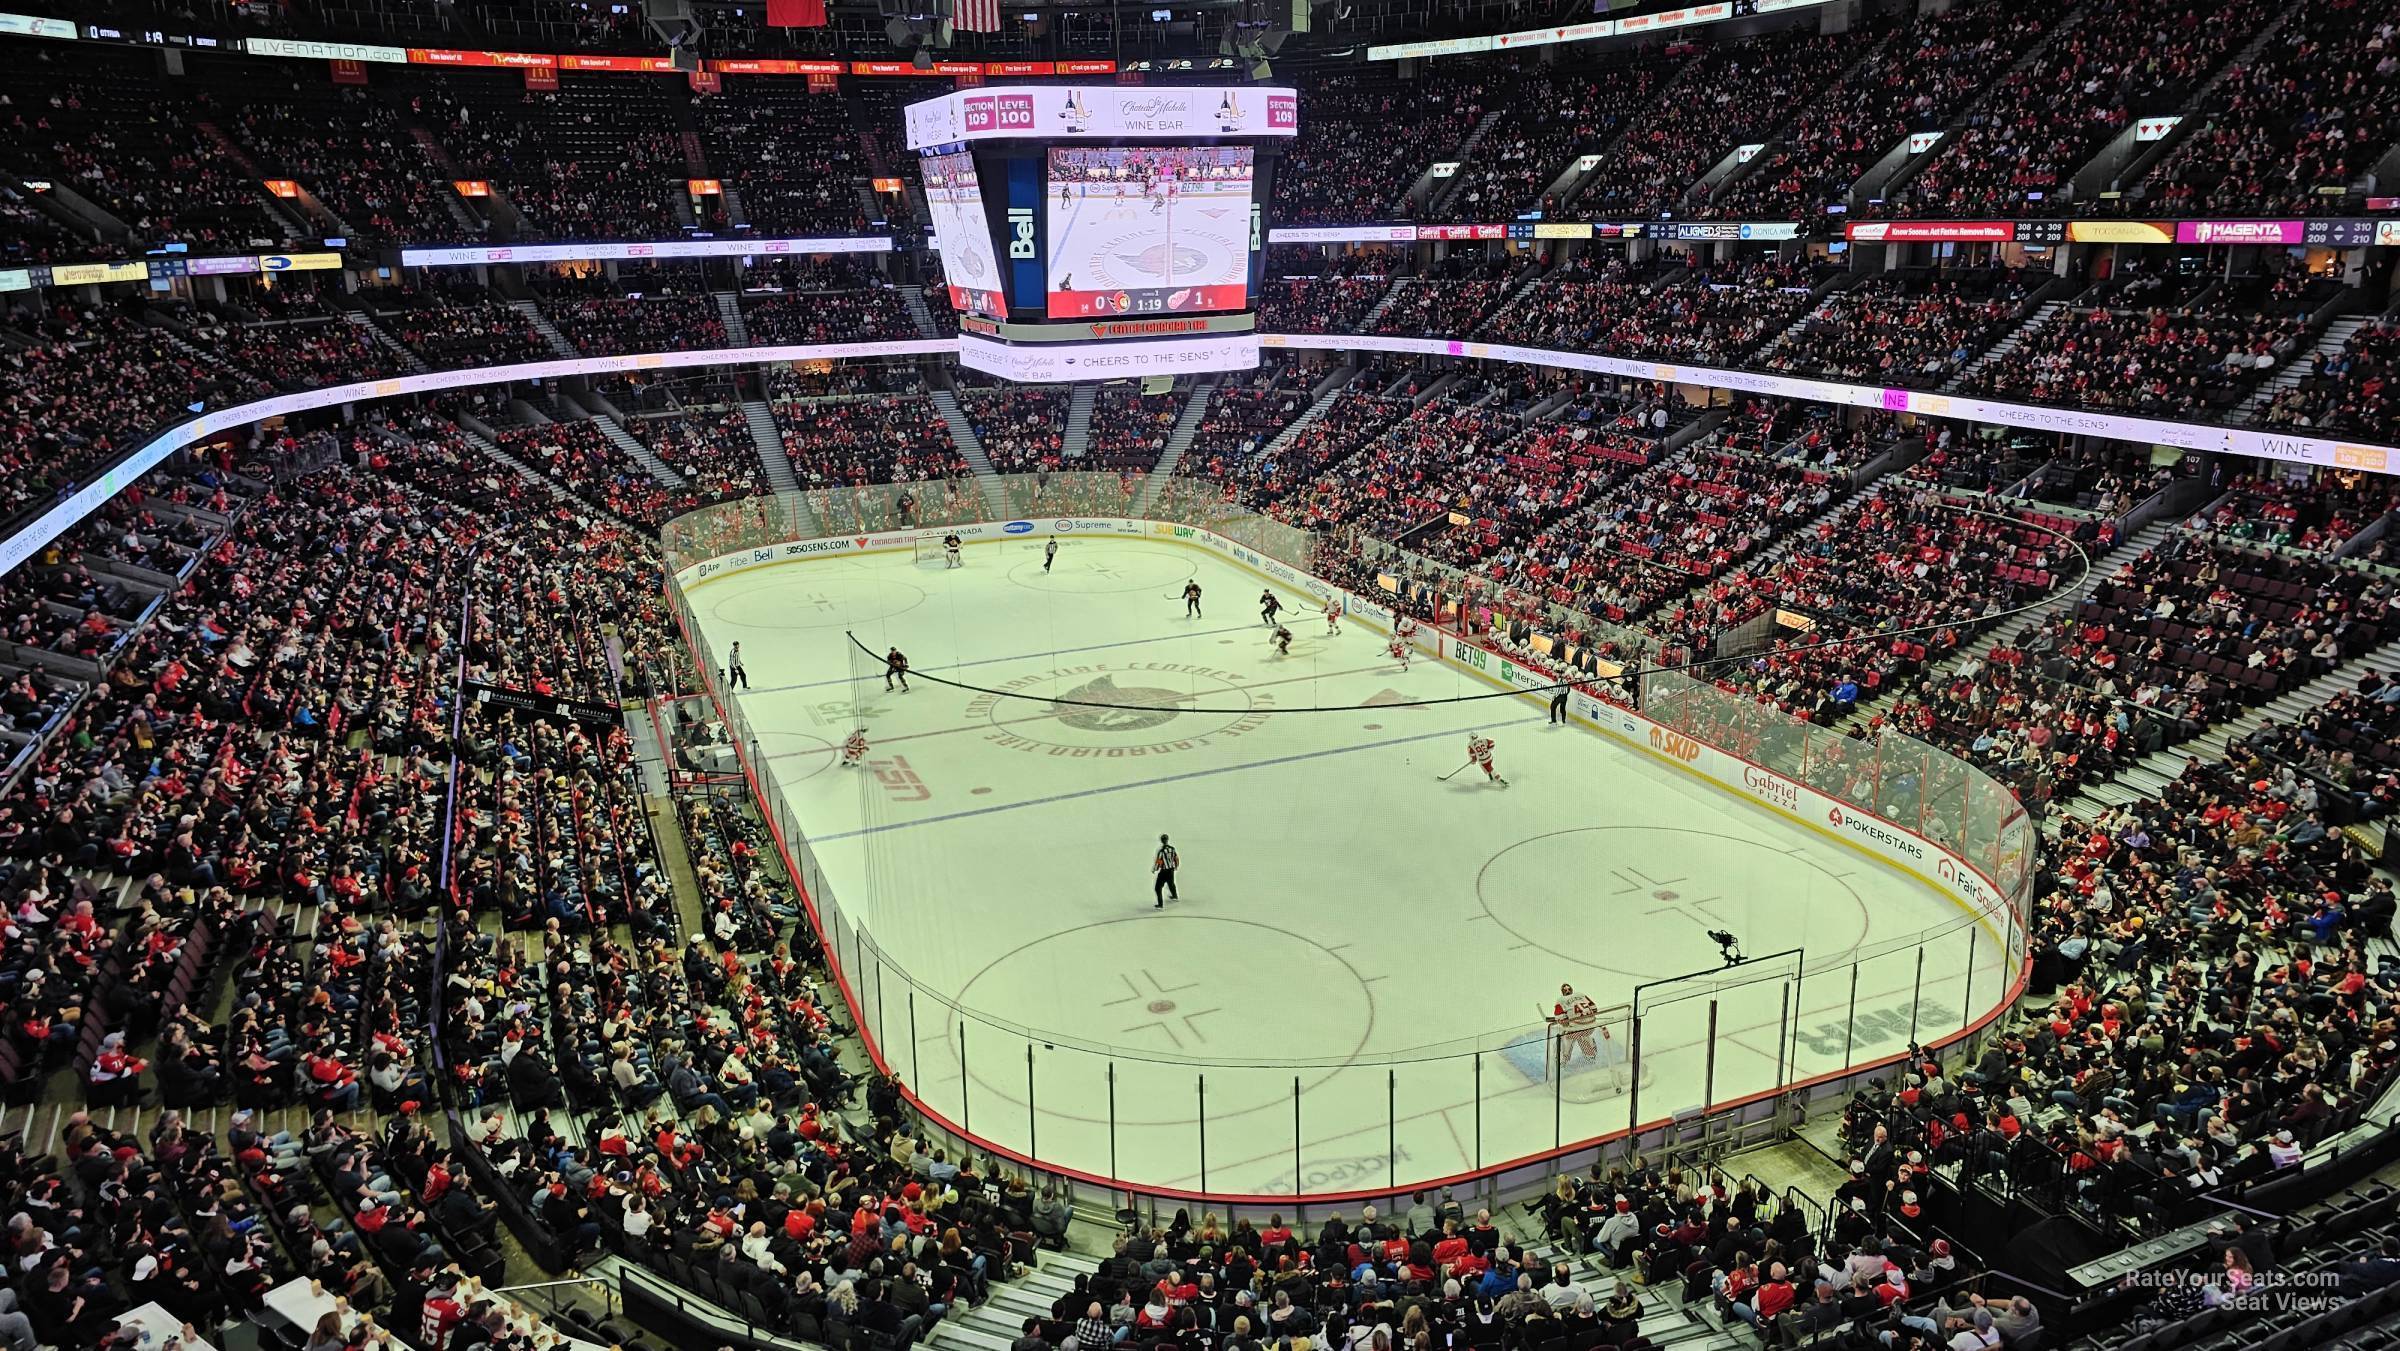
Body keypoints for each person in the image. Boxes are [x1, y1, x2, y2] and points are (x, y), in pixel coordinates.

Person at [1551, 984, 1599, 1065]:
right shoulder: (1581, 994)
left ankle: (1562, 1061)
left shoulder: (1560, 1000)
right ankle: (1591, 1054)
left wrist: (1567, 1021)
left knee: (1567, 1036)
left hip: (1576, 1028)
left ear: (1562, 992)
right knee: (1582, 1034)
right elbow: (1594, 1008)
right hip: (1591, 1026)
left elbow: (1561, 1019)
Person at [1152, 834, 1179, 909]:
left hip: (1164, 872)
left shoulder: (1162, 851)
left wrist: (1155, 869)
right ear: (1167, 840)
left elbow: (1159, 862)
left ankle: (1160, 905)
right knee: (1171, 884)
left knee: (1158, 888)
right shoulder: (1172, 849)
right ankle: (1175, 896)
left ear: (1161, 840)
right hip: (1171, 870)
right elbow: (1176, 858)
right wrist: (1176, 866)